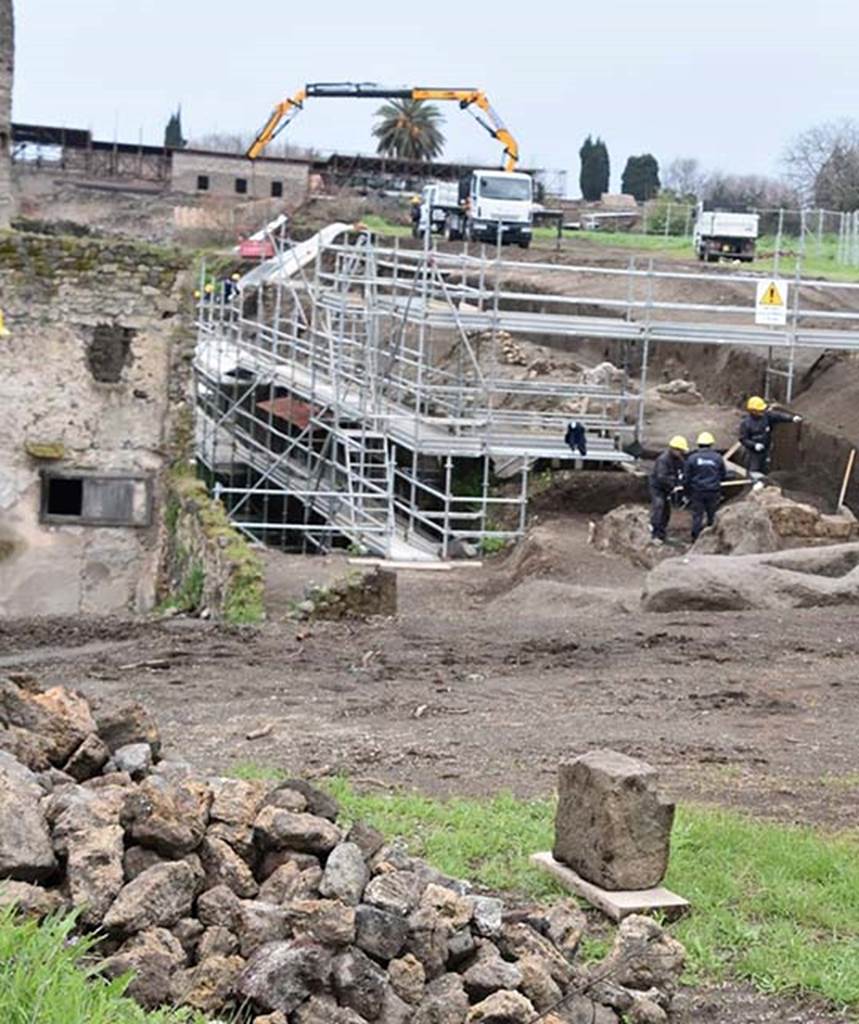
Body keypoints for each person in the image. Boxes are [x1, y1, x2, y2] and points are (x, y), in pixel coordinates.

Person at [739, 396, 802, 477]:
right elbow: (743, 439)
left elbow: (779, 416)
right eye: (760, 411)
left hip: (766, 449)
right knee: (754, 472)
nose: (762, 412)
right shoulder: (746, 423)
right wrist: (754, 445)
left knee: (765, 470)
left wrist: (792, 418)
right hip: (753, 453)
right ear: (753, 411)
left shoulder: (766, 416)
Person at [685, 431, 726, 540]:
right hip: (713, 491)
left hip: (697, 491)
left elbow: (687, 477)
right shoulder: (717, 458)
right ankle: (712, 538)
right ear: (711, 444)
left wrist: (687, 491)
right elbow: (723, 474)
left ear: (699, 444)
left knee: (697, 515)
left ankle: (695, 538)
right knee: (712, 515)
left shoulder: (692, 458)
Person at [649, 435, 689, 542]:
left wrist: (682, 482)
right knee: (659, 506)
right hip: (658, 488)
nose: (681, 453)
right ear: (674, 449)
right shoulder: (663, 460)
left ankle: (662, 533)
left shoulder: (679, 460)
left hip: (667, 488)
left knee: (666, 511)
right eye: (680, 450)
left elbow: (683, 472)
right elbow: (661, 477)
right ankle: (655, 534)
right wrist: (674, 484)